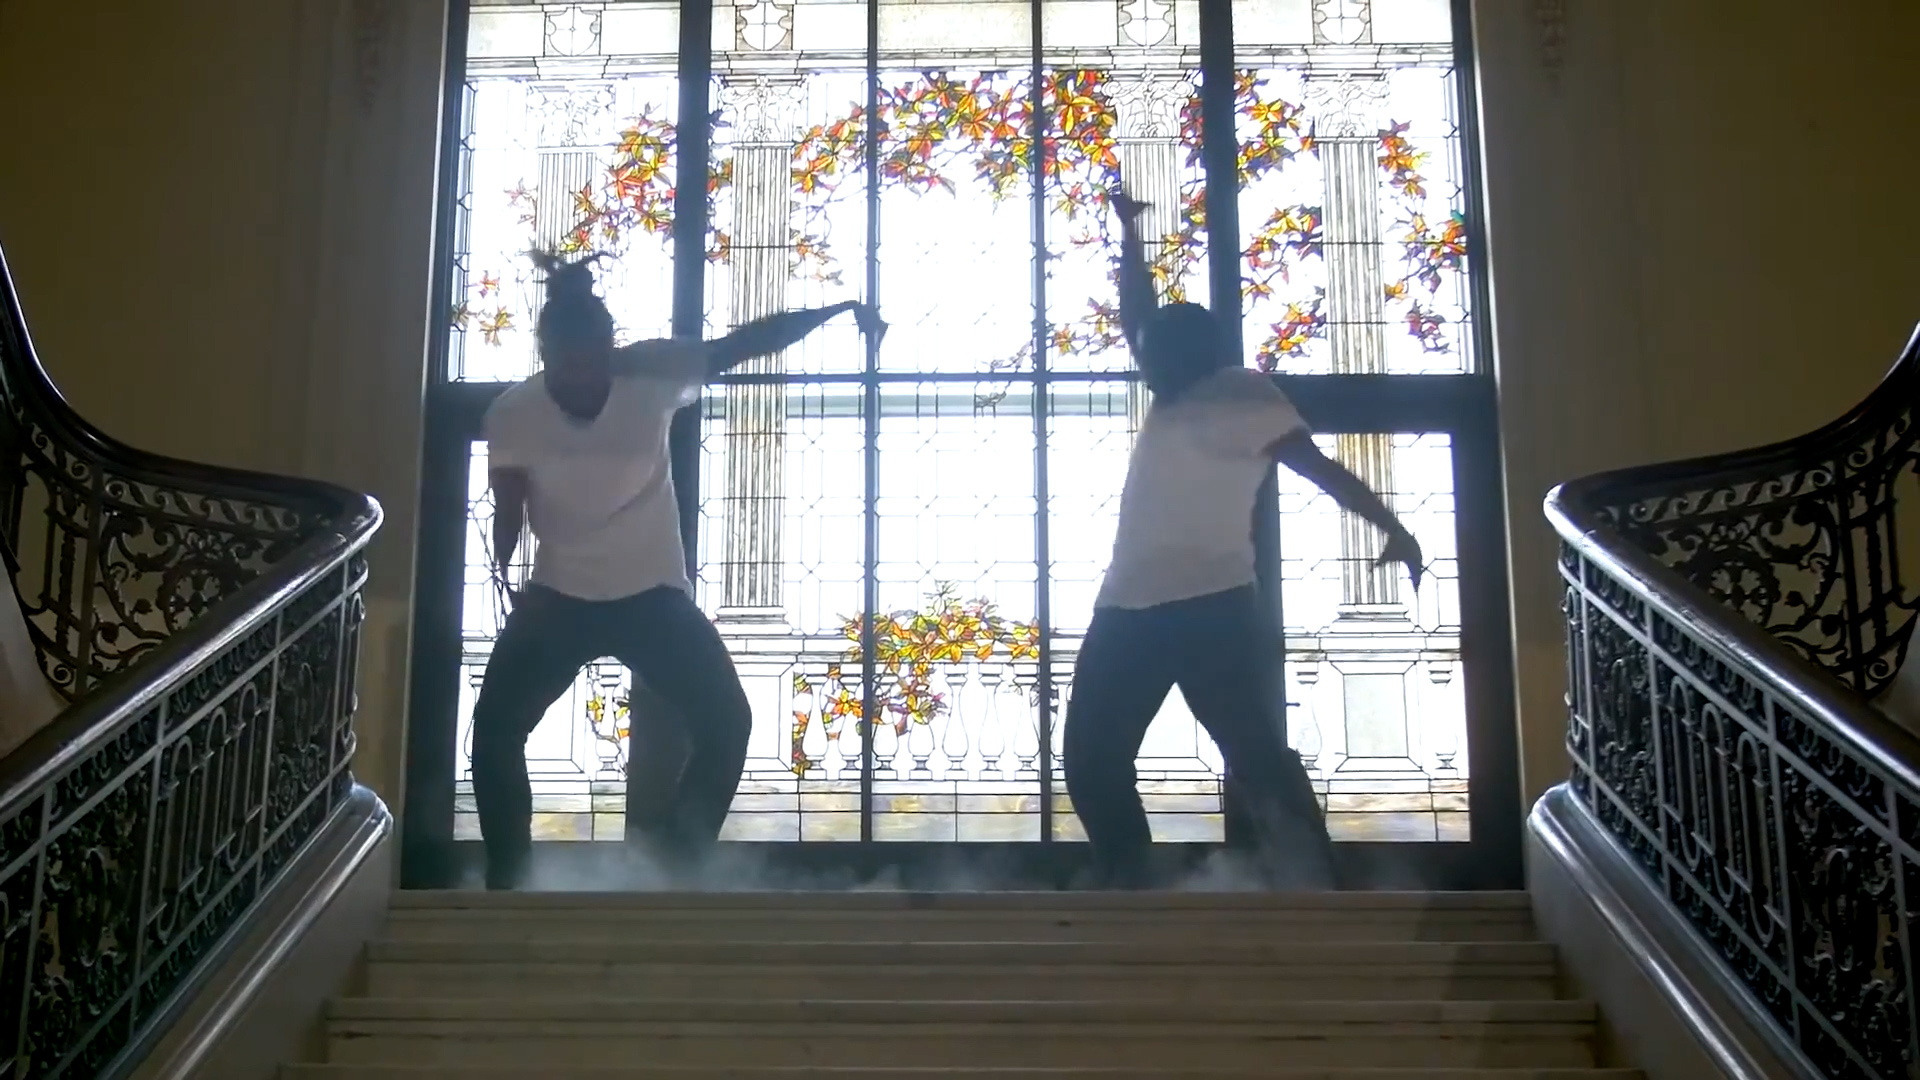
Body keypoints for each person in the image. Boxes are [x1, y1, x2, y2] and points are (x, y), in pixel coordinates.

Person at [475, 250, 886, 889]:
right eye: (568, 366)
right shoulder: (514, 412)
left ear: (611, 349)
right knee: (495, 731)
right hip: (560, 597)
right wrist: (507, 584)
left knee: (728, 721)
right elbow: (509, 506)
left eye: (595, 362)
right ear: (545, 356)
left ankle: (674, 861)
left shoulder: (652, 371)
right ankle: (509, 882)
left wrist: (835, 311)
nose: (585, 379)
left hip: (652, 596)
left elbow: (744, 344)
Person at [1061, 185, 1424, 890]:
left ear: (1191, 355)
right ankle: (1126, 869)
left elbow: (1323, 472)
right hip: (1128, 606)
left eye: (1158, 356)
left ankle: (1316, 877)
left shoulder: (1246, 395)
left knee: (1255, 753)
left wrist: (1395, 529)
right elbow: (1136, 311)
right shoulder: (1169, 388)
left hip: (1213, 607)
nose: (1146, 364)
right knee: (1090, 755)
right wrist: (1129, 238)